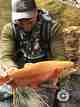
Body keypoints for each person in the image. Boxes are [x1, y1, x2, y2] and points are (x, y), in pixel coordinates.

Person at [0, 0, 65, 107]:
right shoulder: (9, 29)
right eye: (20, 20)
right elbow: (5, 57)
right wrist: (11, 69)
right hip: (18, 71)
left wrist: (52, 76)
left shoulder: (53, 28)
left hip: (43, 74)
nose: (25, 24)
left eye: (29, 20)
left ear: (36, 12)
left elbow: (60, 59)